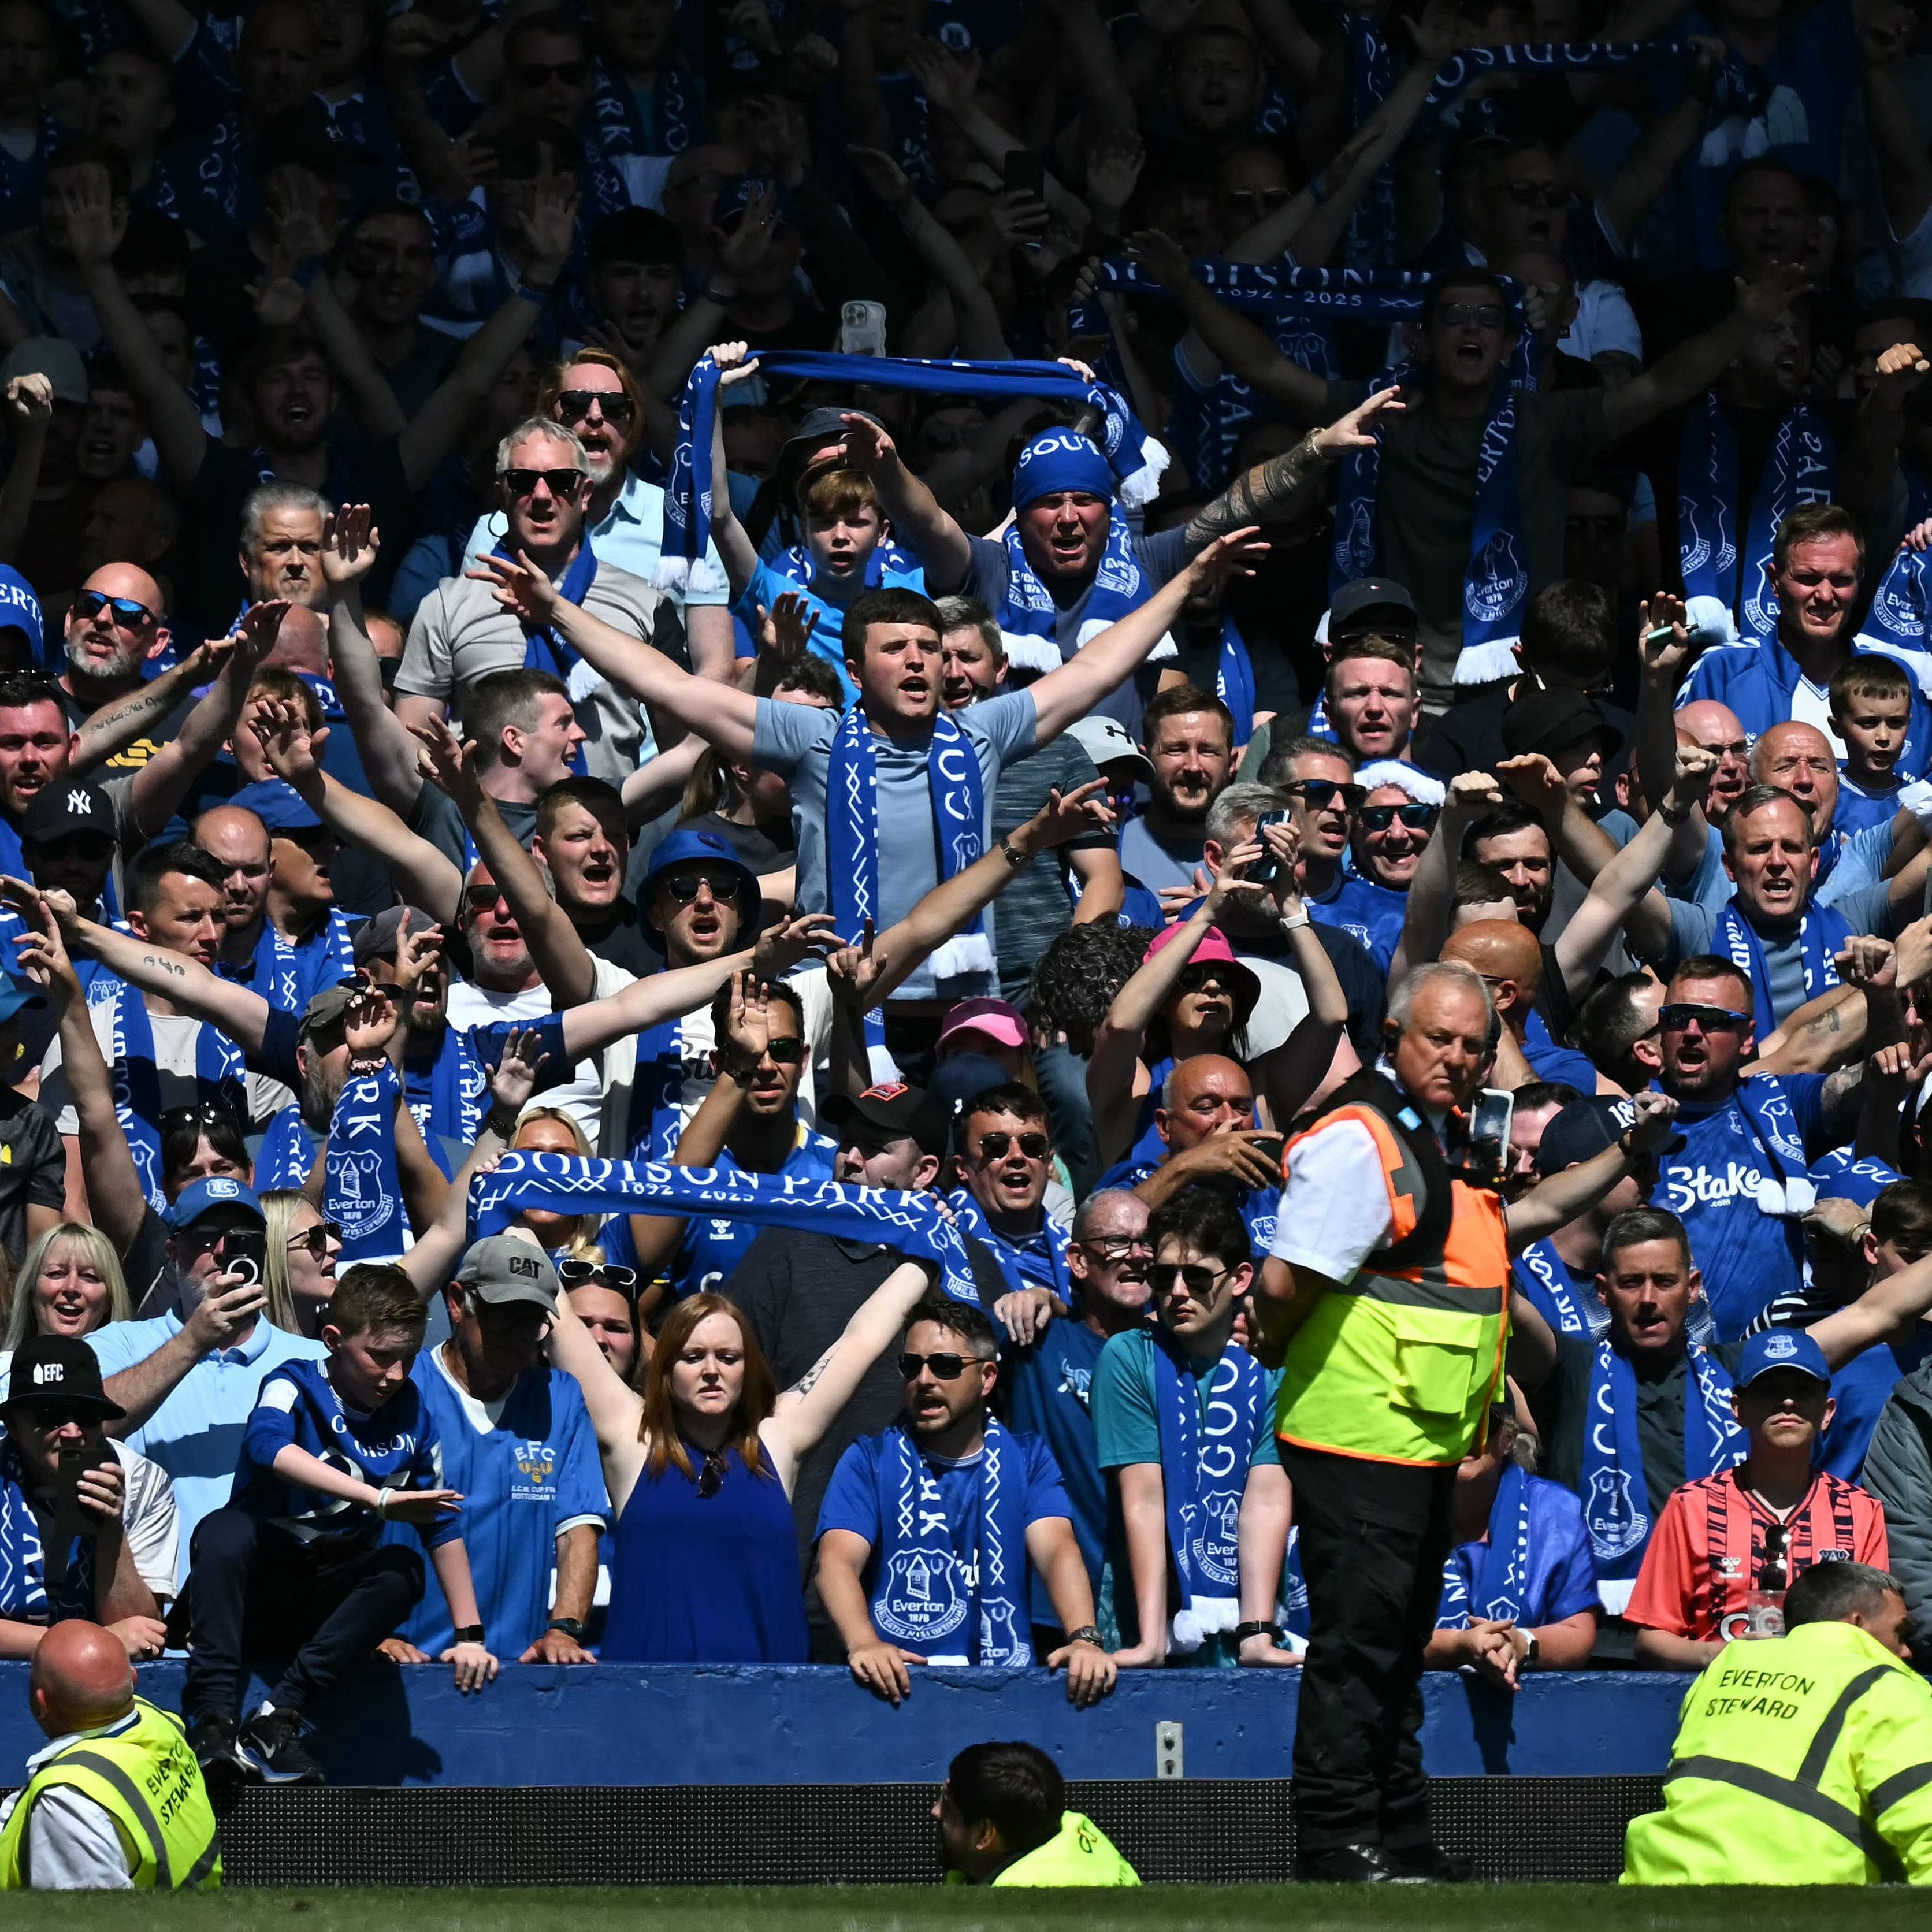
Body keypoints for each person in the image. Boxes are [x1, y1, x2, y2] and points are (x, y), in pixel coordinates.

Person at [1251, 960, 1681, 1882]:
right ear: (1393, 1038)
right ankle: (1336, 1843)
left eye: (1472, 1046)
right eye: (1436, 1039)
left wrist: (1628, 1147)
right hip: (1356, 1435)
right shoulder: (1363, 1137)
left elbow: (1523, 1218)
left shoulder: (1445, 1139)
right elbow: (1283, 1282)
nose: (1455, 1058)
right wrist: (1276, 1340)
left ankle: (1398, 1835)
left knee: (1396, 1651)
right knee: (1358, 1652)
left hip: (1418, 1444)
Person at [180, 1264, 492, 1786]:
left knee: (401, 1568)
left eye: (409, 1357)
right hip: (256, 1590)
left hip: (322, 1605)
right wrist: (377, 1497)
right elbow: (268, 1447)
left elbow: (440, 1522)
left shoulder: (414, 1414)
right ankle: (213, 1720)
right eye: (380, 1356)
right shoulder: (293, 1383)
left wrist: (471, 1637)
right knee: (223, 1531)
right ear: (333, 1340)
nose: (395, 1374)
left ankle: (280, 1714)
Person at [815, 1294, 1116, 1701]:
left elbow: (1056, 1550)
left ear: (988, 1378)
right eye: (911, 1366)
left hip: (1002, 1693)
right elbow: (836, 1562)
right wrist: (863, 1642)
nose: (925, 1380)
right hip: (897, 1687)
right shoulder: (869, 1460)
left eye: (945, 1366)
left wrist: (1084, 1638)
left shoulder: (1029, 1460)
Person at [1622, 1561, 1932, 1885]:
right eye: (1900, 1632)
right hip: (1801, 1895)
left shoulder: (1726, 1666)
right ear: (1856, 1624)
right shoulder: (1886, 1688)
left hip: (1656, 1881)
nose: (1906, 1651)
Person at [1094, 1188, 1297, 1669]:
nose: (1178, 1292)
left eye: (1198, 1276)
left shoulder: (1273, 1366)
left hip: (1248, 1614)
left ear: (1241, 1279)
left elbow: (1267, 1500)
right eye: (1164, 1277)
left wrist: (1257, 1634)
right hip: (1149, 1614)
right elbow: (1143, 1499)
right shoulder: (1128, 1356)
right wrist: (1151, 1640)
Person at [381, 1235, 605, 1670]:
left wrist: (564, 1629)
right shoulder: (398, 1386)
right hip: (400, 1668)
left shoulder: (560, 1398)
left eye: (532, 1322)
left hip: (512, 1671)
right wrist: (369, 1633)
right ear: (457, 1303)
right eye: (503, 1317)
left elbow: (578, 1528)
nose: (519, 1337)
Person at [1626, 1329, 1890, 1669]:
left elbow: (1878, 1633)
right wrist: (1725, 1655)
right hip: (1722, 1691)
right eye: (1770, 1391)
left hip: (1826, 1693)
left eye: (1803, 1391)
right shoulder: (1691, 1506)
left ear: (1827, 1412)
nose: (1788, 1403)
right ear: (1738, 1410)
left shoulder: (1861, 1510)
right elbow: (1652, 1638)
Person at [1003, 1190, 1152, 1634]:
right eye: (1117, 1242)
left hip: (1157, 1609)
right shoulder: (1036, 1343)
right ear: (1079, 1261)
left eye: (1148, 1242)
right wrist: (1039, 1300)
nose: (1137, 1255)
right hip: (1052, 1608)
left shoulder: (1180, 1355)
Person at [0, 1619, 220, 1891]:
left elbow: (84, 1912)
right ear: (133, 1679)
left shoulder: (68, 1802)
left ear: (41, 1702)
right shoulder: (155, 1720)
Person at [0, 1337, 168, 1661]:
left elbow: (142, 1634)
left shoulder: (143, 1482)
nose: (73, 1432)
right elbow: (120, 1637)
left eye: (88, 1416)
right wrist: (91, 1640)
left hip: (103, 1675)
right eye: (51, 1415)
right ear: (13, 1426)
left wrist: (111, 1530)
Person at [1424, 1406, 1597, 1685]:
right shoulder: (1388, 1508)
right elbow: (1374, 1631)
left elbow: (1578, 1631)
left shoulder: (1557, 1512)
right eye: (1449, 1417)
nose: (1467, 1433)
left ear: (1508, 1438)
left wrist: (1520, 1643)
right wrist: (1457, 1644)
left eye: (1484, 1422)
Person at [933, 1741, 1139, 1888]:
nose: (935, 1811)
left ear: (984, 1834)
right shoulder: (1069, 1825)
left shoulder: (1011, 1911)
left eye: (947, 1806)